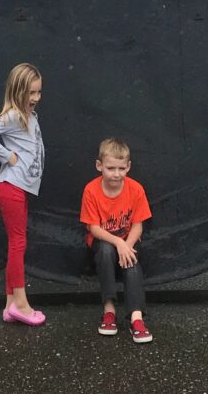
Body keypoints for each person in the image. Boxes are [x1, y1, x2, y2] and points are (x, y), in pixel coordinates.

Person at [0, 62, 46, 326]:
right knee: (18, 244)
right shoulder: (14, 115)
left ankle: (9, 306)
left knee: (15, 244)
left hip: (20, 187)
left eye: (38, 92)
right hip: (11, 187)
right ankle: (22, 304)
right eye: (31, 93)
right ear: (17, 91)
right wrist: (7, 157)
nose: (36, 98)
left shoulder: (28, 116)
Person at [79, 137, 153, 343]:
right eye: (111, 168)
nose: (116, 174)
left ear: (128, 167)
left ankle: (136, 318)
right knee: (105, 250)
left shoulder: (136, 189)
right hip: (103, 242)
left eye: (121, 168)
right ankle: (109, 310)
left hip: (127, 240)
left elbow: (138, 224)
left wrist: (127, 246)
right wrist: (119, 243)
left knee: (131, 259)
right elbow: (93, 228)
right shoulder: (91, 190)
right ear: (99, 166)